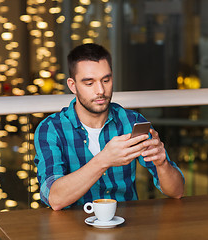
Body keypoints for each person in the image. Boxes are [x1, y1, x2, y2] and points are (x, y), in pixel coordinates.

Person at [34, 43, 184, 210]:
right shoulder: (51, 129)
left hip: (126, 225)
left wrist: (162, 163)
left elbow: (177, 192)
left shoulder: (131, 121)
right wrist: (104, 160)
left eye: (106, 80)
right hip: (71, 229)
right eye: (89, 83)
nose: (101, 90)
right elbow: (55, 199)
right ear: (72, 85)